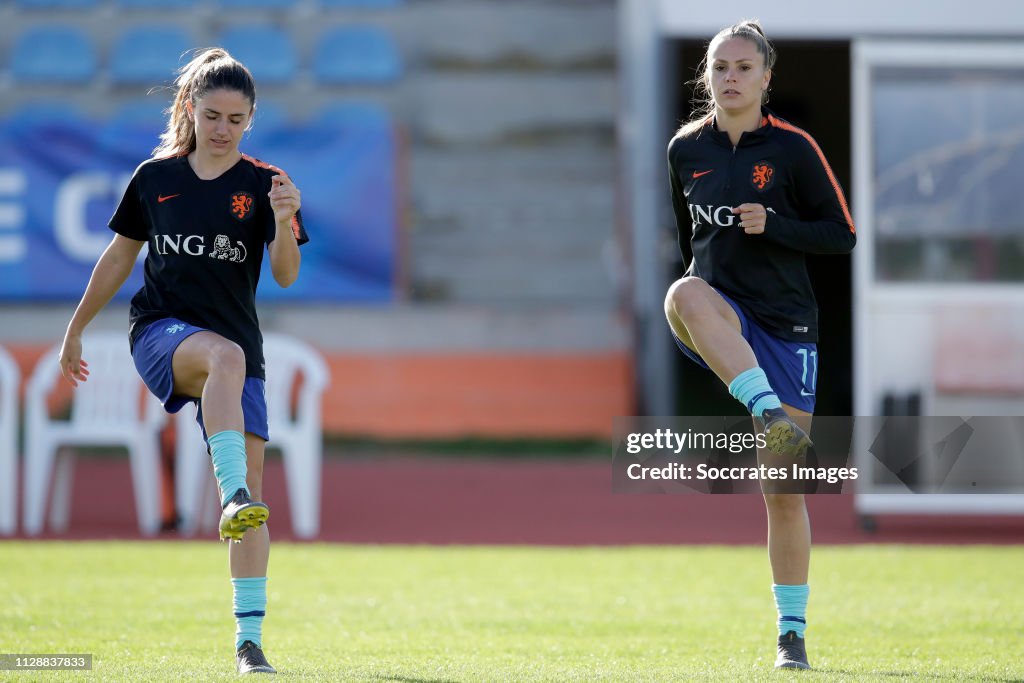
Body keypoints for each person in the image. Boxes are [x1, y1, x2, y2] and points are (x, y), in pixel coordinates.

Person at [58, 48, 308, 675]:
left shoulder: (265, 185)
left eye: (236, 118)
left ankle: (249, 644)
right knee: (224, 383)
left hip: (236, 352)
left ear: (251, 119)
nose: (223, 128)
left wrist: (282, 223)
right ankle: (231, 494)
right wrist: (76, 329)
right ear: (190, 109)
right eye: (213, 114)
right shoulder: (155, 178)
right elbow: (118, 258)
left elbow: (283, 275)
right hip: (162, 334)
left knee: (254, 511)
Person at [664, 20, 856, 670]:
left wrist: (774, 225)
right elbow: (691, 247)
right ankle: (765, 410)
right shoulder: (684, 150)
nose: (732, 77)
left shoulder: (795, 149)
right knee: (682, 293)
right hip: (725, 318)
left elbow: (842, 235)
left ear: (767, 76)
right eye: (721, 67)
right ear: (707, 76)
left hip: (786, 327)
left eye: (744, 67)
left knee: (784, 490)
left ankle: (791, 633)